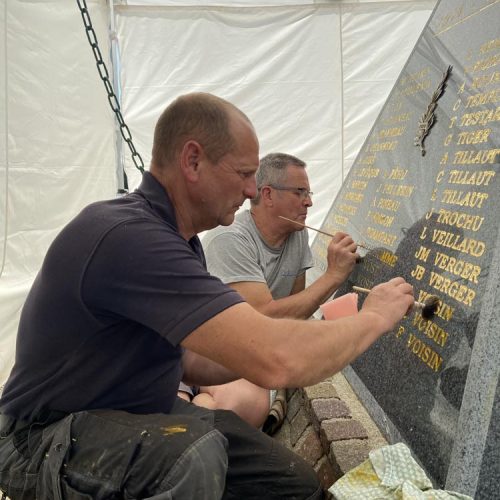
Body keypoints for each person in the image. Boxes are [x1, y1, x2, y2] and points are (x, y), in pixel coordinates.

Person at [0, 92, 415, 500]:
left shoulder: (181, 241)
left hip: (136, 415)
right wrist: (373, 318)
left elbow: (192, 360)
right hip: (41, 439)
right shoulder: (129, 238)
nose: (253, 190)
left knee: (290, 482)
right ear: (193, 160)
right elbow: (277, 358)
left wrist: (251, 348)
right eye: (243, 174)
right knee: (192, 458)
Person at [192, 152, 359, 429]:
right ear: (268, 195)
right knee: (236, 409)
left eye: (309, 192)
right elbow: (261, 316)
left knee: (240, 410)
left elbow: (296, 309)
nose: (309, 201)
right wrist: (332, 276)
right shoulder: (230, 238)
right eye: (299, 192)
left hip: (257, 352)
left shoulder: (297, 234)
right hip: (214, 356)